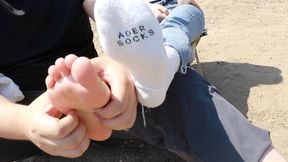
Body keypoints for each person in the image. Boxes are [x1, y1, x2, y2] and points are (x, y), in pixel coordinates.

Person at [0, 0, 286, 162]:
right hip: (17, 111)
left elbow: (107, 8)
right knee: (165, 85)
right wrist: (25, 121)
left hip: (101, 86)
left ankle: (94, 97)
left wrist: (119, 64)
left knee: (165, 82)